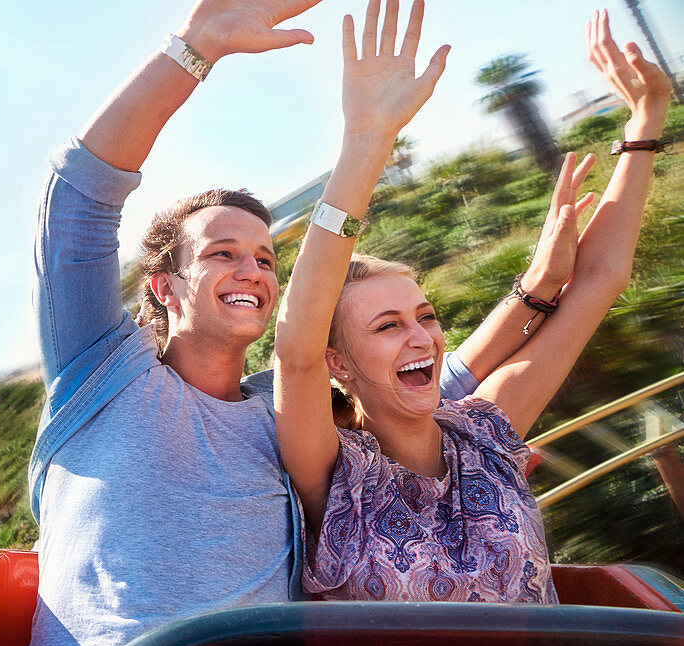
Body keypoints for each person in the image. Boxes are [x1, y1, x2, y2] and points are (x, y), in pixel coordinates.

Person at [21, 0, 593, 646]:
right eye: (223, 253)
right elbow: (77, 200)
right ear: (164, 286)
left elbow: (431, 381)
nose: (252, 271)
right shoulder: (101, 373)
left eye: (265, 259)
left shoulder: (283, 414)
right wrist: (194, 47)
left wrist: (536, 288)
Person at [273, 5, 671, 602]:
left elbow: (600, 281)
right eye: (386, 326)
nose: (421, 337)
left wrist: (645, 120)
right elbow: (294, 351)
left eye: (426, 316)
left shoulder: (485, 430)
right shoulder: (333, 475)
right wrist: (368, 139)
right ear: (339, 363)